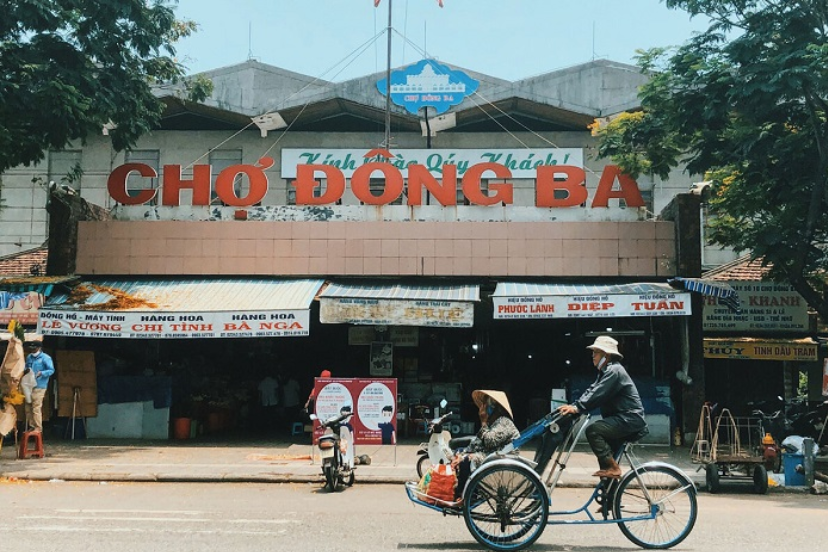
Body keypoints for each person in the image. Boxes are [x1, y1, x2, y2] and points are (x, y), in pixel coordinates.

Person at [558, 335, 647, 479]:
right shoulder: (606, 372)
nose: (593, 356)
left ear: (606, 355)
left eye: (596, 352)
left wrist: (578, 407)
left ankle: (613, 468)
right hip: (622, 419)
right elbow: (592, 390)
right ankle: (609, 487)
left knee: (593, 430)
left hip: (629, 419)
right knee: (605, 465)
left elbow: (598, 393)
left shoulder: (614, 371)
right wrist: (575, 406)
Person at [451, 389, 520, 502]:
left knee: (466, 460)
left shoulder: (504, 422)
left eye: (486, 405)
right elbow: (478, 441)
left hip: (501, 458)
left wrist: (483, 422)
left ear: (495, 408)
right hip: (493, 454)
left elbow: (489, 441)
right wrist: (463, 452)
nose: (483, 408)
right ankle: (460, 490)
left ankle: (464, 496)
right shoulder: (493, 423)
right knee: (460, 453)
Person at [24, 339, 54, 434]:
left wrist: (42, 373)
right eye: (31, 348)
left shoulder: (46, 358)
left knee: (36, 407)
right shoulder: (29, 357)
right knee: (28, 407)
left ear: (39, 348)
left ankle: (38, 427)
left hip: (40, 385)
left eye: (34, 348)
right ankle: (32, 426)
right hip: (29, 385)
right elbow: (26, 367)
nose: (32, 350)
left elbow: (51, 370)